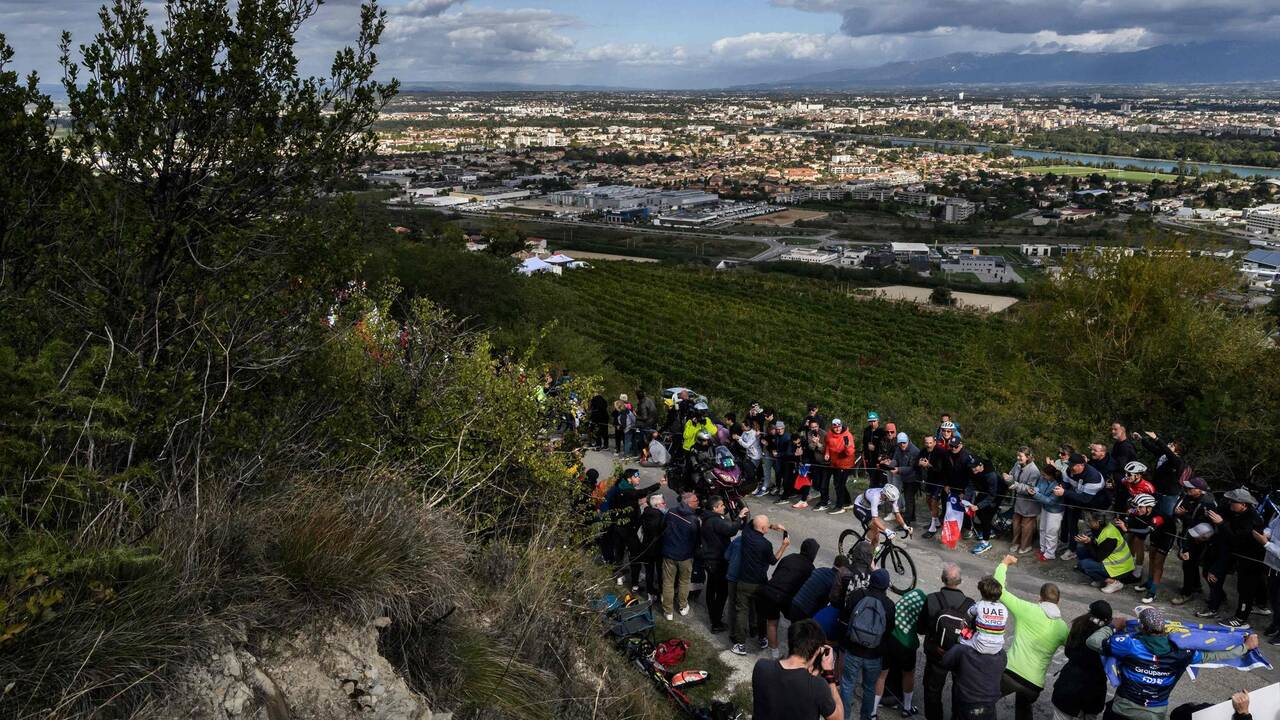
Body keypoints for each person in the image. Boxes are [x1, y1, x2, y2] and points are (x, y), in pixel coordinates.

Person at [1094, 606, 1258, 720]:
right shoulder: (1183, 653)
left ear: (1141, 628)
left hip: (1121, 709)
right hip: (1154, 714)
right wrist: (1245, 647)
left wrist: (1112, 627)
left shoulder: (1128, 645)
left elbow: (1093, 641)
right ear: (1165, 629)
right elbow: (1214, 655)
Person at [994, 555, 1069, 720]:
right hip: (1034, 685)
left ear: (1040, 597)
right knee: (1024, 710)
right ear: (1059, 601)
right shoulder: (1062, 627)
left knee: (986, 700)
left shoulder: (1028, 609)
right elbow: (1073, 649)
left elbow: (999, 590)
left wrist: (1004, 564)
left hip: (1010, 674)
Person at [1197, 488, 1265, 627]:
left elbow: (1236, 539)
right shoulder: (1232, 511)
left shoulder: (1252, 520)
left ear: (1243, 504)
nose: (1230, 503)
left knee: (1246, 588)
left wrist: (1221, 524)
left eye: (1233, 502)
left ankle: (1241, 617)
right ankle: (1220, 601)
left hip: (1251, 558)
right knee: (1214, 574)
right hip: (1234, 553)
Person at [751, 618, 843, 720]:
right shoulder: (818, 686)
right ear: (818, 651)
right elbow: (838, 718)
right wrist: (829, 675)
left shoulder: (762, 667)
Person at [939, 589, 1007, 720]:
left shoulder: (962, 650)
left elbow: (945, 662)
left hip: (966, 702)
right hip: (989, 705)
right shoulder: (1001, 654)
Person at [918, 564, 975, 720]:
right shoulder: (971, 604)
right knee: (960, 690)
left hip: (937, 652)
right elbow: (973, 633)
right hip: (960, 655)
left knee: (932, 690)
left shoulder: (931, 599)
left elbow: (921, 629)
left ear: (942, 579)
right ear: (960, 581)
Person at [840, 569, 896, 720]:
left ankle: (844, 716)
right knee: (870, 688)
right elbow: (889, 631)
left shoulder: (856, 595)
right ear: (885, 586)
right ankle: (866, 717)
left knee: (847, 684)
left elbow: (844, 621)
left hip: (853, 650)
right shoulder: (889, 604)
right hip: (874, 654)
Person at [733, 514, 790, 656]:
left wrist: (771, 526)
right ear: (763, 528)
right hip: (760, 583)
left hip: (744, 580)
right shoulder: (765, 545)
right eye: (768, 526)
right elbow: (773, 560)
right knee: (761, 612)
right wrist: (783, 546)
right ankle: (762, 638)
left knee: (742, 611)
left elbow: (753, 523)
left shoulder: (746, 533)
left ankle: (740, 644)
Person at [1051, 601, 1114, 720]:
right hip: (1094, 690)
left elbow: (1068, 651)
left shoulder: (1079, 624)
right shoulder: (1109, 634)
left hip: (1068, 685)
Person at [761, 538, 820, 657]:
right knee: (795, 626)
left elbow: (775, 574)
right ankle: (792, 655)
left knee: (772, 623)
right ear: (813, 553)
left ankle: (775, 654)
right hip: (786, 597)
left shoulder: (789, 557)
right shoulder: (810, 568)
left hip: (770, 591)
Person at [700, 498, 745, 633]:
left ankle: (714, 617)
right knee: (720, 592)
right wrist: (739, 518)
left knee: (711, 590)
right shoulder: (715, 521)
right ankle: (716, 622)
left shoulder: (708, 518)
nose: (724, 507)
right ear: (715, 508)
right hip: (717, 561)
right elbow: (730, 530)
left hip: (709, 559)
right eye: (721, 506)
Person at [879, 586, 926, 717]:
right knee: (908, 673)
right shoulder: (923, 605)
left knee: (883, 673)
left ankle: (874, 706)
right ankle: (907, 707)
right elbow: (922, 629)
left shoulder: (913, 593)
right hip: (906, 644)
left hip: (889, 637)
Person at [1116, 494, 1170, 604]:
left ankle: (1153, 592)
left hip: (1166, 537)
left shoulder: (1158, 517)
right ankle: (1149, 582)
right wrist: (1129, 515)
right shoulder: (1142, 510)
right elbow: (1131, 514)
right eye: (1137, 507)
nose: (1137, 509)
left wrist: (1127, 529)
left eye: (1140, 507)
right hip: (1156, 534)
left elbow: (1146, 531)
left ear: (1149, 508)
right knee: (1151, 558)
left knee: (1158, 563)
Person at [1171, 476, 1216, 606]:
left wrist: (1185, 515)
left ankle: (1187, 593)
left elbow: (1202, 525)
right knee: (1190, 563)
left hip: (1201, 538)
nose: (1188, 489)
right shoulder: (1189, 497)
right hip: (1189, 534)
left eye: (1191, 488)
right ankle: (1195, 586)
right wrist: (1182, 514)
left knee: (1191, 564)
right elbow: (1178, 511)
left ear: (1200, 490)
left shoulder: (1208, 503)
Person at [1059, 453, 1108, 559]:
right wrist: (1061, 487)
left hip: (1095, 505)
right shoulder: (1069, 471)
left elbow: (1085, 498)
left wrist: (1064, 492)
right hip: (1076, 499)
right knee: (1071, 524)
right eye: (1069, 465)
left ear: (1081, 465)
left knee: (1091, 530)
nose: (1070, 468)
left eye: (1072, 465)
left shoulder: (1093, 476)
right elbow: (1066, 483)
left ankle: (1093, 555)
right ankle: (1072, 549)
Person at [1074, 511, 1138, 594]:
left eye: (1090, 521)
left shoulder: (1110, 536)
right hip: (1112, 562)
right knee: (1081, 550)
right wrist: (1089, 541)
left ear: (1099, 522)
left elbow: (1098, 557)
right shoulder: (1101, 529)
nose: (1088, 523)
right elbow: (1098, 546)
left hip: (1120, 569)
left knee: (1083, 565)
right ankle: (1099, 578)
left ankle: (1113, 583)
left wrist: (1088, 543)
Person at [661, 492, 701, 620]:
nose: (698, 502)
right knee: (684, 581)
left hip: (669, 553)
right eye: (696, 501)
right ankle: (683, 606)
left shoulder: (671, 512)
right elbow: (696, 540)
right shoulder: (693, 520)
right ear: (688, 503)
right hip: (685, 556)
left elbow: (663, 527)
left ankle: (668, 612)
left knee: (668, 582)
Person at [853, 483, 911, 557]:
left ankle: (872, 557)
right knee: (874, 526)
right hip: (860, 507)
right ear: (885, 496)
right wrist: (887, 531)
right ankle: (863, 548)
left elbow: (897, 514)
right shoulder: (875, 497)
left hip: (869, 508)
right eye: (890, 501)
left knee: (877, 535)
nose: (892, 502)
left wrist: (905, 526)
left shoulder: (891, 497)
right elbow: (874, 520)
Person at [791, 555, 851, 622]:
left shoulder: (820, 570)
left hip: (795, 603)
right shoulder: (835, 581)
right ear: (844, 568)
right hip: (805, 611)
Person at [1004, 448, 1042, 555]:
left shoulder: (1034, 471)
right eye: (1018, 455)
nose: (1018, 458)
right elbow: (1012, 474)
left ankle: (1025, 546)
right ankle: (1015, 543)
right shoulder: (1017, 464)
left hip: (1029, 503)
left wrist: (1015, 485)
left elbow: (1030, 488)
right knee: (1016, 523)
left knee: (1027, 526)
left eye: (1020, 456)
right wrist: (1008, 477)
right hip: (1018, 501)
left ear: (1028, 457)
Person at [967, 457, 1005, 556]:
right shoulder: (973, 471)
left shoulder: (991, 475)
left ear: (981, 466)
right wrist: (966, 499)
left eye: (975, 468)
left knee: (986, 516)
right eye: (971, 467)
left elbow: (992, 495)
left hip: (997, 494)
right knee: (978, 511)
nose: (972, 470)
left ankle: (986, 542)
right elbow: (971, 485)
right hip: (985, 490)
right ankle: (989, 530)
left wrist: (979, 506)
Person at [964, 575, 1009, 655]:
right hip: (998, 647)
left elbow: (968, 615)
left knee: (960, 639)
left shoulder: (979, 605)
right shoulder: (1004, 608)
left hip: (980, 645)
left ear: (982, 593)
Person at [919, 434, 951, 539]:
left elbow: (941, 469)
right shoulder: (924, 451)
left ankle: (932, 527)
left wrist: (929, 466)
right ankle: (936, 521)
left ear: (934, 442)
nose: (928, 445)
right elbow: (916, 461)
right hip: (930, 479)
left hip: (941, 479)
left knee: (934, 501)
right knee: (928, 500)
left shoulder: (941, 452)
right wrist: (919, 463)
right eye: (926, 443)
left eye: (930, 443)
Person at [1033, 463, 1066, 561]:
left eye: (1044, 475)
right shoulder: (1043, 479)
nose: (1042, 476)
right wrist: (1035, 490)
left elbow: (1051, 501)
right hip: (1045, 507)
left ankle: (1050, 553)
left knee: (1051, 532)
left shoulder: (1058, 484)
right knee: (1042, 529)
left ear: (1051, 475)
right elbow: (1038, 487)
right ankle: (1043, 548)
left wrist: (1035, 495)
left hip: (1055, 511)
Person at [889, 432, 923, 523]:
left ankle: (906, 522)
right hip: (905, 477)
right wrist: (891, 465)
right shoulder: (898, 449)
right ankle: (912, 517)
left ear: (907, 441)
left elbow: (912, 468)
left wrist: (898, 469)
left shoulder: (915, 451)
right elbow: (895, 459)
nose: (902, 445)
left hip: (914, 478)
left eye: (904, 442)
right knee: (909, 498)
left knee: (908, 499)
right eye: (900, 443)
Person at [826, 418, 858, 513]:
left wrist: (847, 448)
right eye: (835, 427)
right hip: (835, 463)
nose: (837, 429)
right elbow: (828, 445)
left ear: (841, 425)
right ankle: (847, 502)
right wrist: (827, 453)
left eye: (839, 426)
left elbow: (851, 451)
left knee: (839, 484)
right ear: (832, 427)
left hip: (845, 464)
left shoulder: (847, 435)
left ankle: (839, 506)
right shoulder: (829, 434)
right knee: (838, 484)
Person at [638, 492, 667, 597]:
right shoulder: (662, 517)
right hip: (658, 549)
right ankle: (662, 592)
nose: (665, 505)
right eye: (663, 503)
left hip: (646, 547)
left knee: (649, 572)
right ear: (657, 505)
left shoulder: (645, 513)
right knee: (660, 572)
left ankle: (650, 593)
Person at [863, 412, 890, 488]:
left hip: (879, 460)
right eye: (870, 421)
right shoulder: (866, 430)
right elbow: (864, 444)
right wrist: (866, 457)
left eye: (874, 421)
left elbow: (884, 447)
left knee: (880, 481)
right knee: (872, 480)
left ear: (878, 420)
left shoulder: (881, 432)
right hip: (869, 460)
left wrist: (875, 448)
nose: (872, 423)